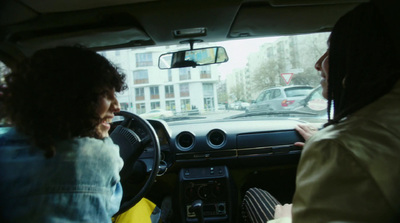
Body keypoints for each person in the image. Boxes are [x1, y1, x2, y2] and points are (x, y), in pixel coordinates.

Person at [242, 1, 400, 222]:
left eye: (331, 51)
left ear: (360, 61)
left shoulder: (336, 147)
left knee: (255, 196)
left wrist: (284, 220)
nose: (319, 64)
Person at [0, 46, 127, 222]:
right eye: (106, 94)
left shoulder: (4, 148)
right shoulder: (100, 155)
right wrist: (103, 139)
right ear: (73, 98)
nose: (117, 106)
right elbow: (112, 205)